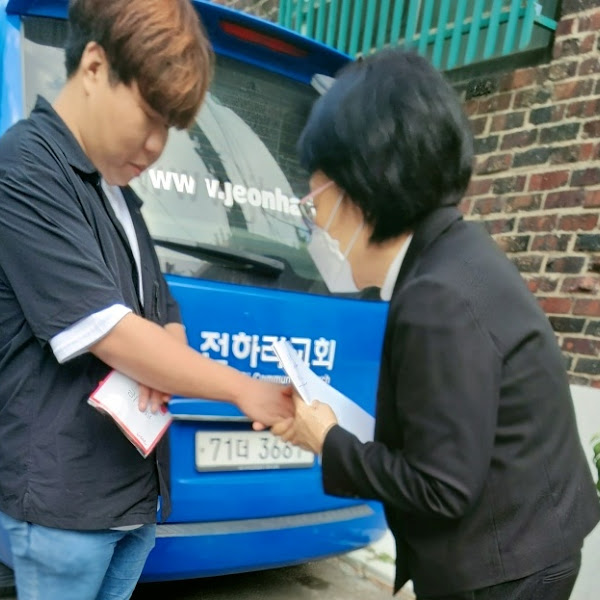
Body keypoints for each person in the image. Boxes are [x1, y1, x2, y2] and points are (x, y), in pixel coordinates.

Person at [272, 48, 600, 600]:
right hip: (525, 542)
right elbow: (449, 435)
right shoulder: (456, 257)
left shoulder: (437, 297)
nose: (315, 219)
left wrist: (327, 440)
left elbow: (440, 487)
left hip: (500, 568)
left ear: (363, 188)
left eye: (316, 198)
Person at [0, 1, 292, 599]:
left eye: (170, 129)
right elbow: (108, 328)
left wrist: (163, 358)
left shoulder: (118, 192)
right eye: (150, 117)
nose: (157, 146)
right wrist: (243, 388)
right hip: (66, 503)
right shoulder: (23, 168)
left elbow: (160, 308)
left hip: (131, 491)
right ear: (94, 67)